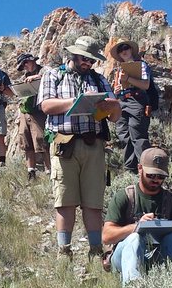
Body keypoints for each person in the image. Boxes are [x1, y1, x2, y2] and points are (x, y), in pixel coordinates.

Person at [38, 36, 121, 258]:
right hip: (64, 144)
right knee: (65, 200)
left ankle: (95, 249)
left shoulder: (99, 79)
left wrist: (113, 105)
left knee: (93, 202)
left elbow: (114, 116)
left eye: (92, 60)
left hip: (94, 144)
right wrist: (78, 101)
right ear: (74, 54)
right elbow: (46, 106)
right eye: (85, 59)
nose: (88, 64)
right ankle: (64, 250)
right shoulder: (53, 75)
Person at [103, 148, 172, 283]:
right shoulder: (125, 197)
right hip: (123, 257)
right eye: (151, 175)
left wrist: (170, 230)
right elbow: (106, 236)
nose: (156, 180)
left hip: (158, 256)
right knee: (134, 238)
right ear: (140, 168)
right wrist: (137, 226)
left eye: (160, 176)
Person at [110, 40, 154, 174]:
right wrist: (116, 90)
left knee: (138, 136)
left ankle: (146, 170)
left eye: (125, 48)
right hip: (122, 102)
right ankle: (130, 171)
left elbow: (145, 85)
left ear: (131, 50)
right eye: (120, 49)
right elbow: (117, 90)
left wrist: (128, 78)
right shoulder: (119, 69)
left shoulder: (141, 65)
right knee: (124, 136)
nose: (123, 51)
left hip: (137, 101)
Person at [14, 53, 51, 181]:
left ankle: (49, 170)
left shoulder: (43, 70)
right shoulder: (25, 76)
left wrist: (37, 77)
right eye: (22, 65)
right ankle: (31, 172)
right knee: (26, 141)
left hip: (39, 111)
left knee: (42, 140)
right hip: (25, 111)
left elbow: (52, 74)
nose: (25, 67)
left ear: (31, 60)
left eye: (25, 63)